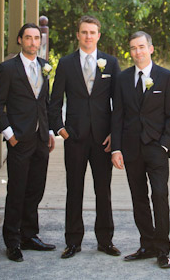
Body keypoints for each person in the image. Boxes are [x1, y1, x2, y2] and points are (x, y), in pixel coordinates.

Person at [49, 15, 121, 259]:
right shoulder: (66, 63)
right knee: (74, 189)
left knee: (104, 190)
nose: (88, 36)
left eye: (93, 32)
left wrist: (114, 134)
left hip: (103, 139)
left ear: (99, 35)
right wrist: (60, 129)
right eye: (84, 32)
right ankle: (72, 241)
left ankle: (105, 239)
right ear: (78, 35)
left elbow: (118, 104)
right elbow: (55, 100)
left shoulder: (110, 63)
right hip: (75, 137)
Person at [111, 31, 170, 269]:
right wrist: (116, 149)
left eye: (141, 47)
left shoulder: (166, 77)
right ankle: (146, 244)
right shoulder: (122, 79)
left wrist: (165, 145)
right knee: (138, 198)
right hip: (131, 149)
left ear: (151, 48)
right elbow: (118, 115)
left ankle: (163, 249)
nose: (137, 52)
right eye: (133, 48)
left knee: (159, 196)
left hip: (157, 149)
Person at [0, 23, 56, 261]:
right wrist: (9, 135)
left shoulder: (44, 67)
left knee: (36, 189)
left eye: (36, 38)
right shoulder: (8, 69)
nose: (32, 42)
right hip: (19, 139)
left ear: (40, 42)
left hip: (40, 139)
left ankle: (30, 235)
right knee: (16, 190)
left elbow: (44, 103)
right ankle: (12, 241)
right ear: (20, 40)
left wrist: (48, 133)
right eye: (28, 38)